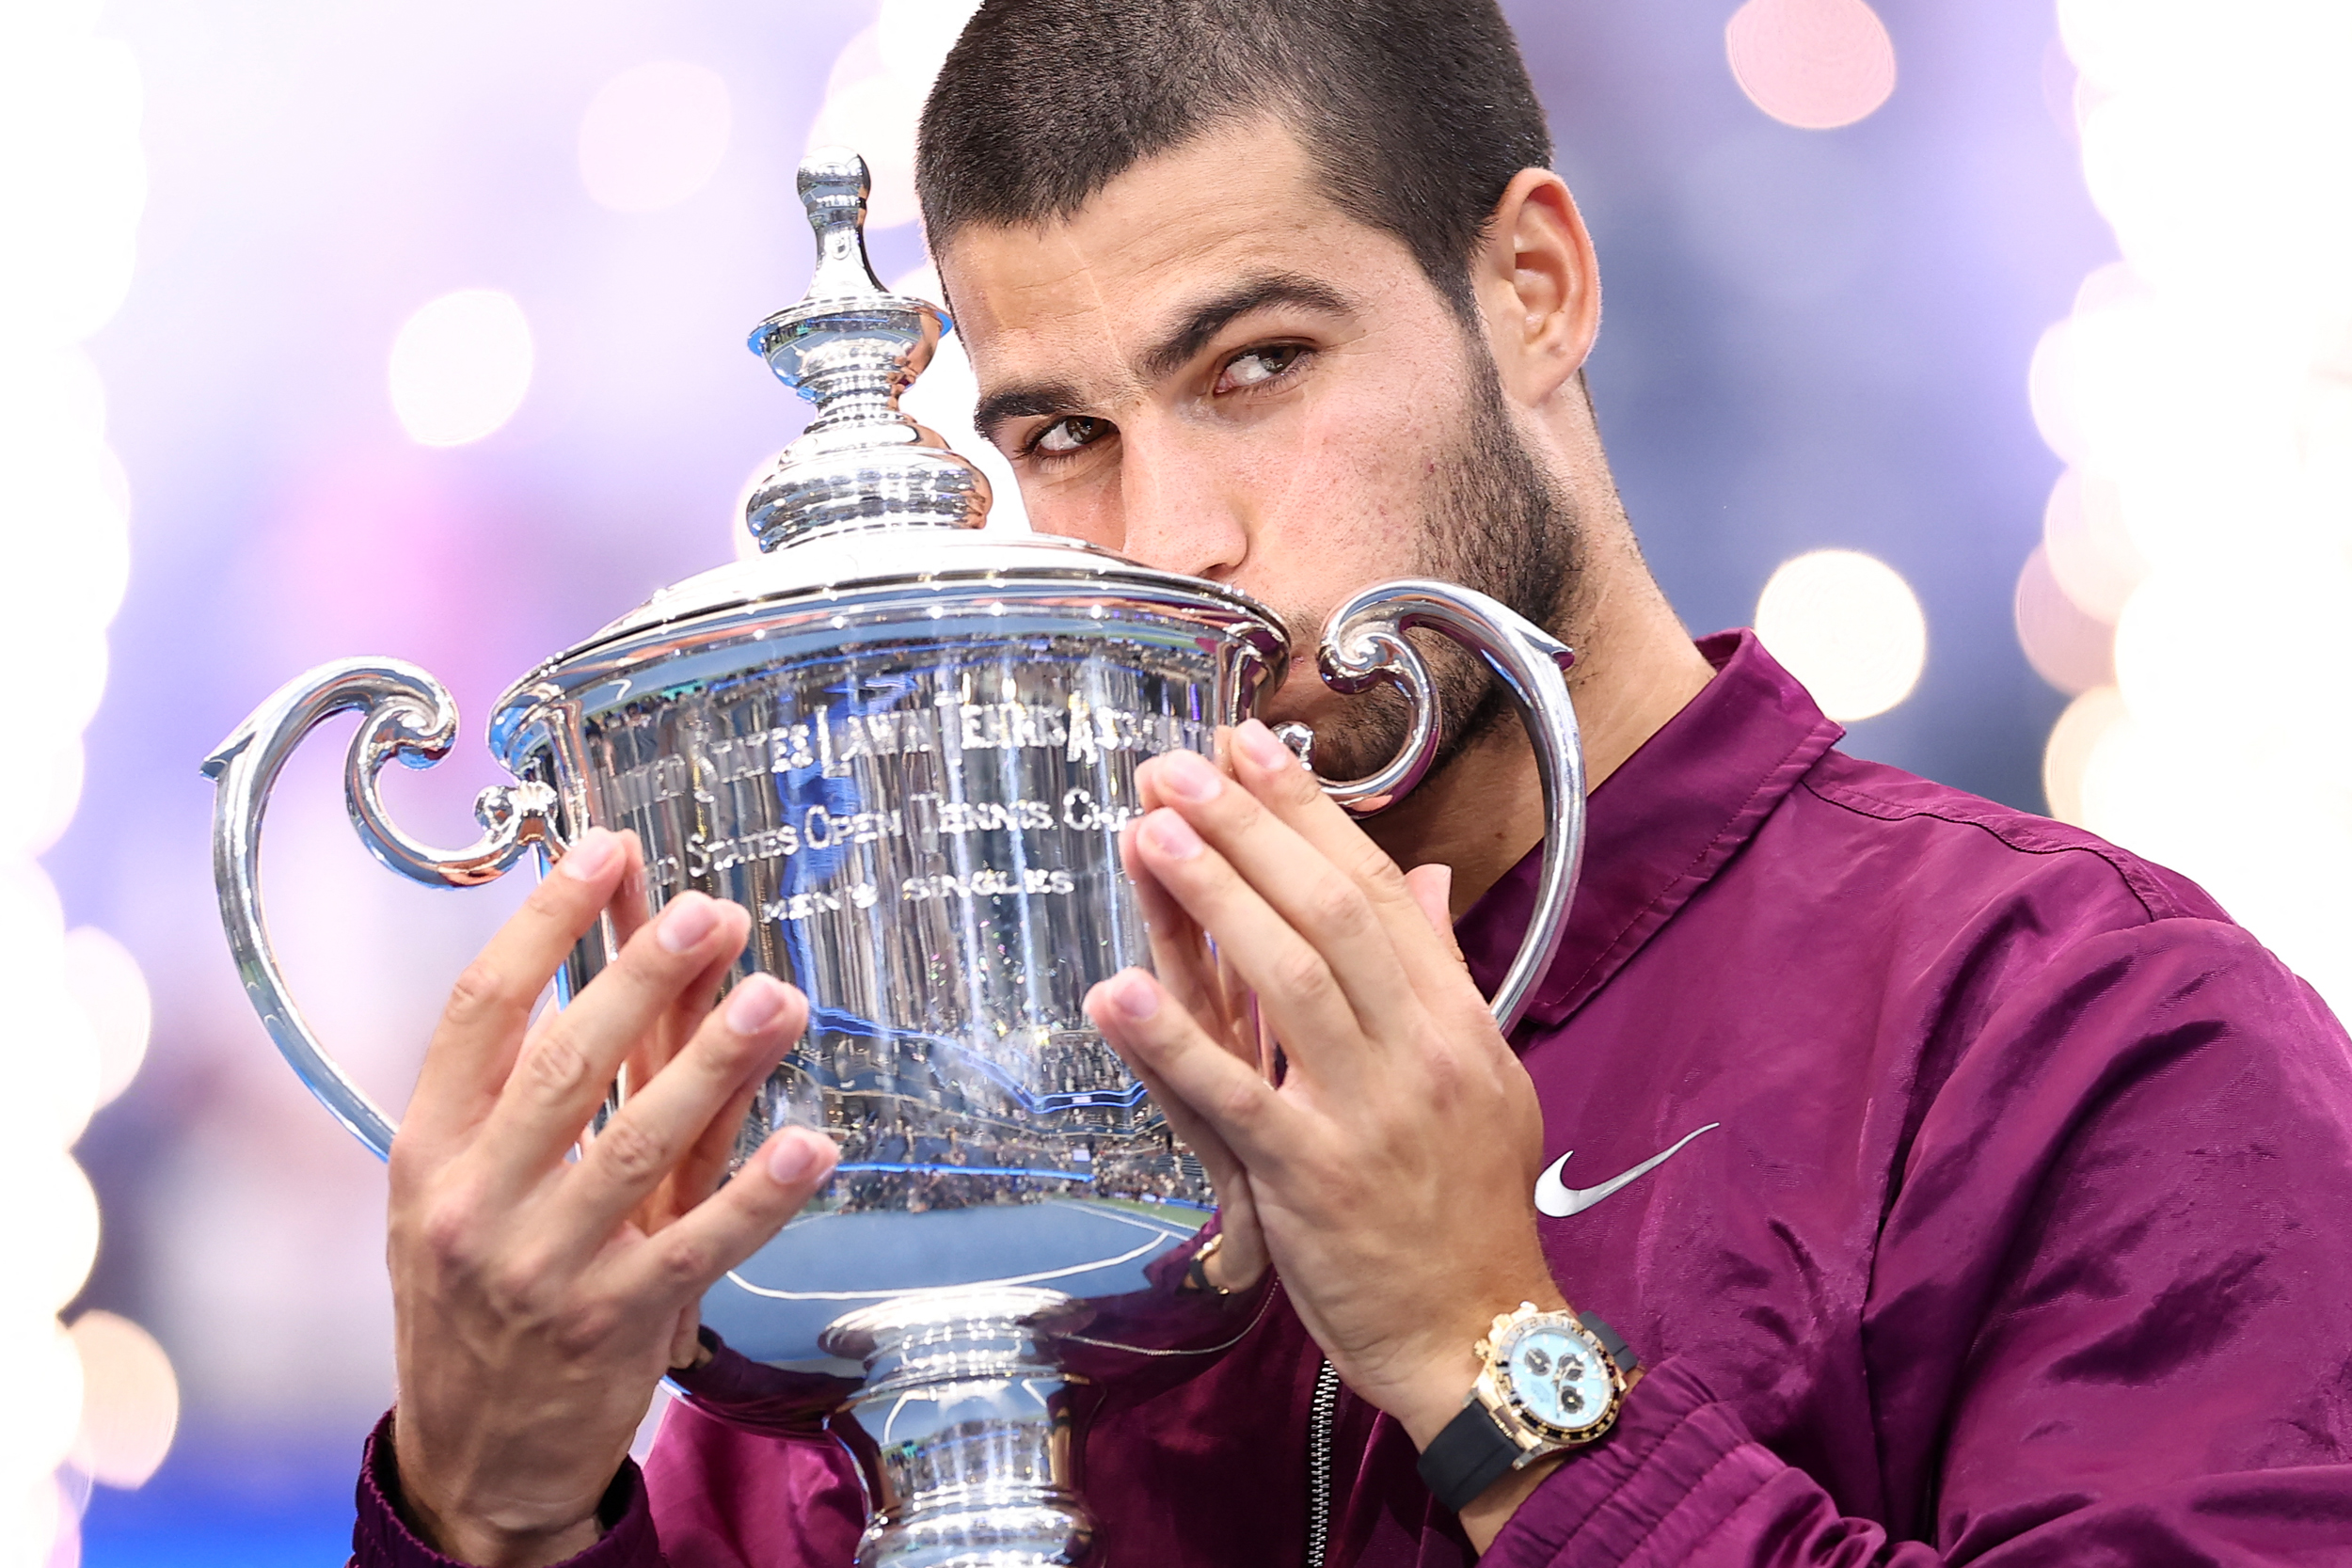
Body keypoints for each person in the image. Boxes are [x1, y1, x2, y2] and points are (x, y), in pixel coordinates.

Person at [351, 2, 2352, 1564]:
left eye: (1256, 365)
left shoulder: (2079, 1030)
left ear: (1534, 289)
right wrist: (492, 1514)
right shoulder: (965, 1144)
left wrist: (1493, 1367)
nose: (1172, 539)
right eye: (1058, 437)